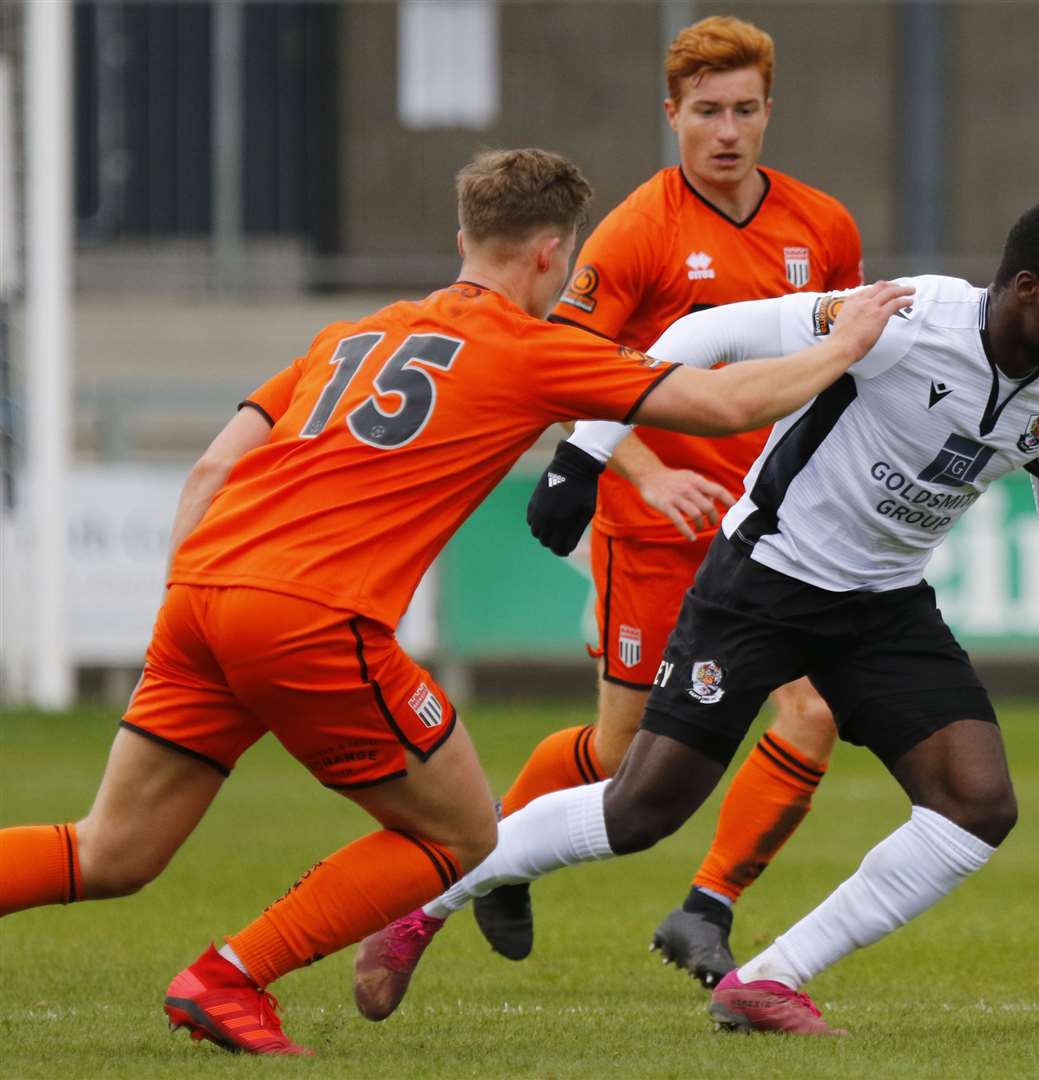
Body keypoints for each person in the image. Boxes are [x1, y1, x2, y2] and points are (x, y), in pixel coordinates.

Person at [0, 147, 913, 1056]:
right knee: (463, 835)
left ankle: (230, 979)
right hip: (312, 615)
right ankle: (229, 978)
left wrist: (186, 605)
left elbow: (208, 471)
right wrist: (842, 347)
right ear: (553, 255)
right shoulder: (529, 346)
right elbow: (718, 404)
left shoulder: (351, 336)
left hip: (198, 596)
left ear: (463, 235)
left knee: (109, 851)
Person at [352, 198, 1039, 1036]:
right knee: (640, 811)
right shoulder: (907, 316)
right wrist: (586, 454)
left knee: (977, 802)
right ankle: (423, 906)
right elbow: (710, 333)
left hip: (884, 607)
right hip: (763, 584)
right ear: (1029, 290)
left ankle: (768, 979)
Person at [461, 14, 864, 990]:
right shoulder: (639, 230)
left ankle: (706, 909)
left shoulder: (825, 229)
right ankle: (491, 854)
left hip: (771, 535)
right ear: (672, 113)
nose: (727, 131)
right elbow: (569, 373)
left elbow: (843, 367)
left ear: (770, 112)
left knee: (810, 716)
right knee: (618, 757)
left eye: (746, 110)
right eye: (707, 112)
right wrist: (644, 471)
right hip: (656, 531)